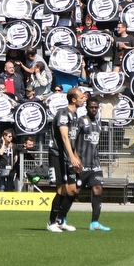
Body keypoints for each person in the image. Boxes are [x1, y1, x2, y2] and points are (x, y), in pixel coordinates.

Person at [46, 87, 86, 233]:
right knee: (62, 190)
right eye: (81, 97)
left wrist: (76, 157)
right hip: (58, 155)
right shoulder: (63, 113)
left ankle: (61, 220)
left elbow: (73, 139)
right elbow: (64, 137)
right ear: (73, 99)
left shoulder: (75, 115)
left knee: (74, 189)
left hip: (69, 157)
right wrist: (71, 157)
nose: (83, 99)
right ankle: (51, 222)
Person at [75, 97, 110, 231]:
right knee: (74, 191)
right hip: (81, 163)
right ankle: (61, 218)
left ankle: (94, 222)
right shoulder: (81, 121)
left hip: (95, 163)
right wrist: (75, 158)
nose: (94, 109)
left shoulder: (99, 122)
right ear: (87, 107)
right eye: (91, 107)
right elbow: (73, 140)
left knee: (98, 188)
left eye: (96, 107)